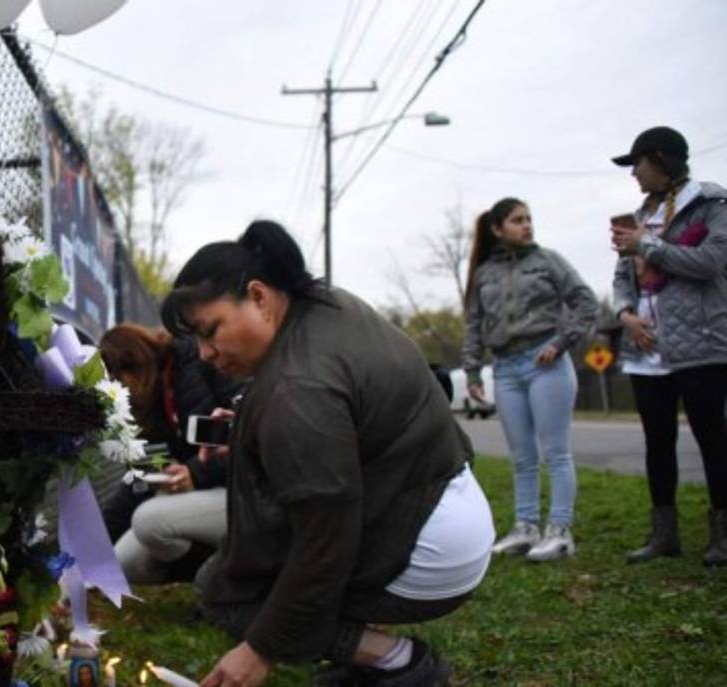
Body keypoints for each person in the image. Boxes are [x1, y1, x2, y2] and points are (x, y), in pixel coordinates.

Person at [162, 221, 494, 687]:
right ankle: (366, 656)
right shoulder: (323, 304)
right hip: (447, 504)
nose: (205, 354)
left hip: (426, 547)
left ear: (259, 297)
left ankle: (400, 662)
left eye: (210, 330)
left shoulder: (297, 388)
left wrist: (260, 648)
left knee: (225, 592)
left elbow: (326, 540)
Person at [609, 126, 727, 566]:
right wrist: (625, 315)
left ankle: (722, 536)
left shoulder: (711, 205)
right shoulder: (638, 216)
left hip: (701, 341)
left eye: (637, 164)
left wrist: (650, 245)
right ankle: (664, 535)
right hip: (646, 346)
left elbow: (711, 263)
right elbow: (622, 279)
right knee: (656, 442)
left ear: (660, 160)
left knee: (712, 437)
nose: (634, 174)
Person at [462, 198, 597, 562]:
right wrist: (473, 370)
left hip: (545, 363)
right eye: (518, 220)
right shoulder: (484, 273)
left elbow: (585, 302)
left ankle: (560, 532)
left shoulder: (547, 261)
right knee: (522, 456)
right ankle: (525, 529)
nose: (527, 226)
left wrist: (561, 341)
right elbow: (474, 324)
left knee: (555, 452)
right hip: (505, 369)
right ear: (497, 229)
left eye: (529, 219)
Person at [98, 324, 241, 584]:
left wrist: (194, 474)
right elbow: (140, 479)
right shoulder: (148, 406)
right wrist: (90, 550)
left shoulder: (195, 363)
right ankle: (207, 570)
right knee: (124, 562)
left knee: (149, 521)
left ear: (133, 365)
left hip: (242, 491)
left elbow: (249, 441)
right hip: (204, 494)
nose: (117, 394)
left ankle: (224, 577)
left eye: (116, 382)